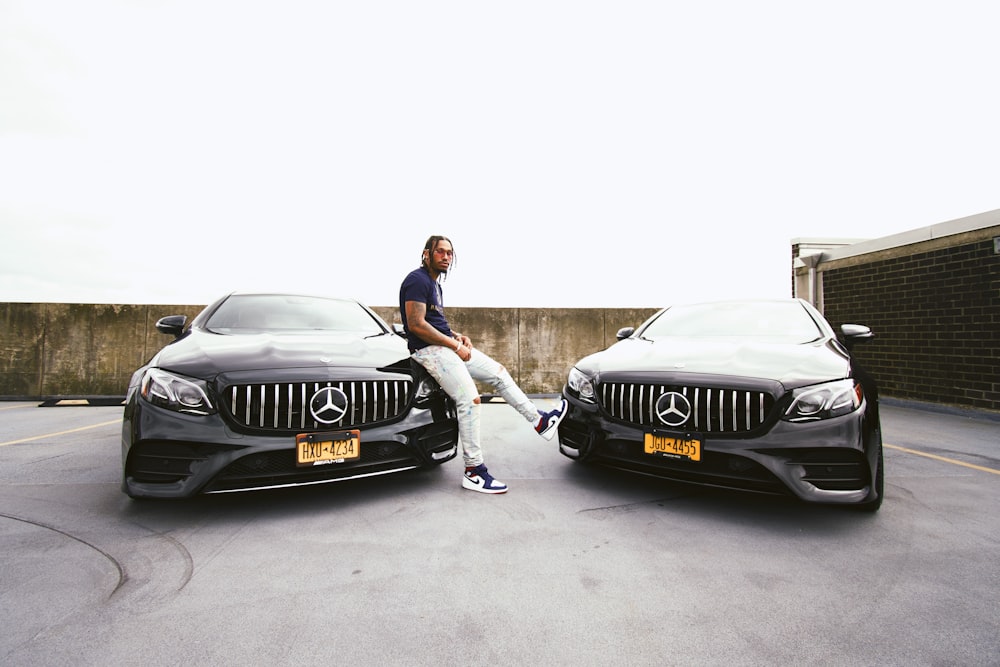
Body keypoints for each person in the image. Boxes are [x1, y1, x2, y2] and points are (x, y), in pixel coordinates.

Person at [399, 235, 567, 494]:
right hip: (429, 351)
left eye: (450, 253)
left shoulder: (435, 286)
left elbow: (434, 320)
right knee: (470, 400)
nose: (446, 257)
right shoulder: (417, 280)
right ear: (426, 254)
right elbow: (416, 324)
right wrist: (455, 346)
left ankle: (539, 421)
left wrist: (455, 335)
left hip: (446, 346)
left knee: (499, 373)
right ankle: (473, 470)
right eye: (440, 252)